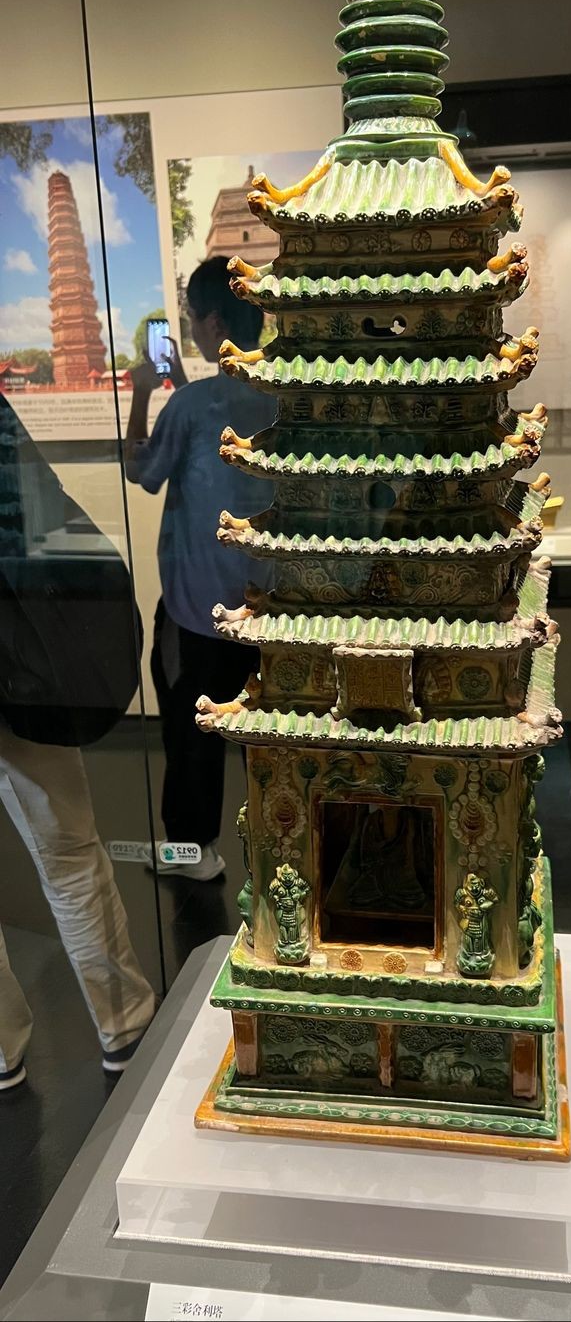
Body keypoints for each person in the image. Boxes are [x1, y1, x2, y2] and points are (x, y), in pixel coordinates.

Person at [0, 393, 156, 1090]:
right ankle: (125, 1027)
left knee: (69, 855)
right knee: (67, 854)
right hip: (19, 667)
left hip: (19, 666)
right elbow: (34, 507)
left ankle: (1, 1049)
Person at [125, 257, 276, 881]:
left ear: (215, 322)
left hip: (199, 610)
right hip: (273, 608)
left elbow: (143, 469)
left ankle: (192, 853)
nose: (189, 330)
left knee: (192, 733)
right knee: (270, 738)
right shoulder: (284, 399)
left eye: (192, 320)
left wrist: (142, 390)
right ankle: (283, 850)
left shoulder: (190, 406)